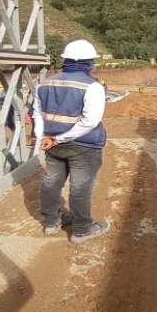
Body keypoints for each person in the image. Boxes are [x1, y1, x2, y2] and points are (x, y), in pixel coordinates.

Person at [33, 39, 110, 244]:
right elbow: (90, 122)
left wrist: (45, 137)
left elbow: (37, 113)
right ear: (88, 63)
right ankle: (82, 229)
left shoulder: (45, 83)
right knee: (81, 187)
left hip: (53, 145)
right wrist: (58, 138)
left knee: (51, 181)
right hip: (83, 146)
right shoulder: (92, 87)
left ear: (65, 60)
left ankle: (51, 222)